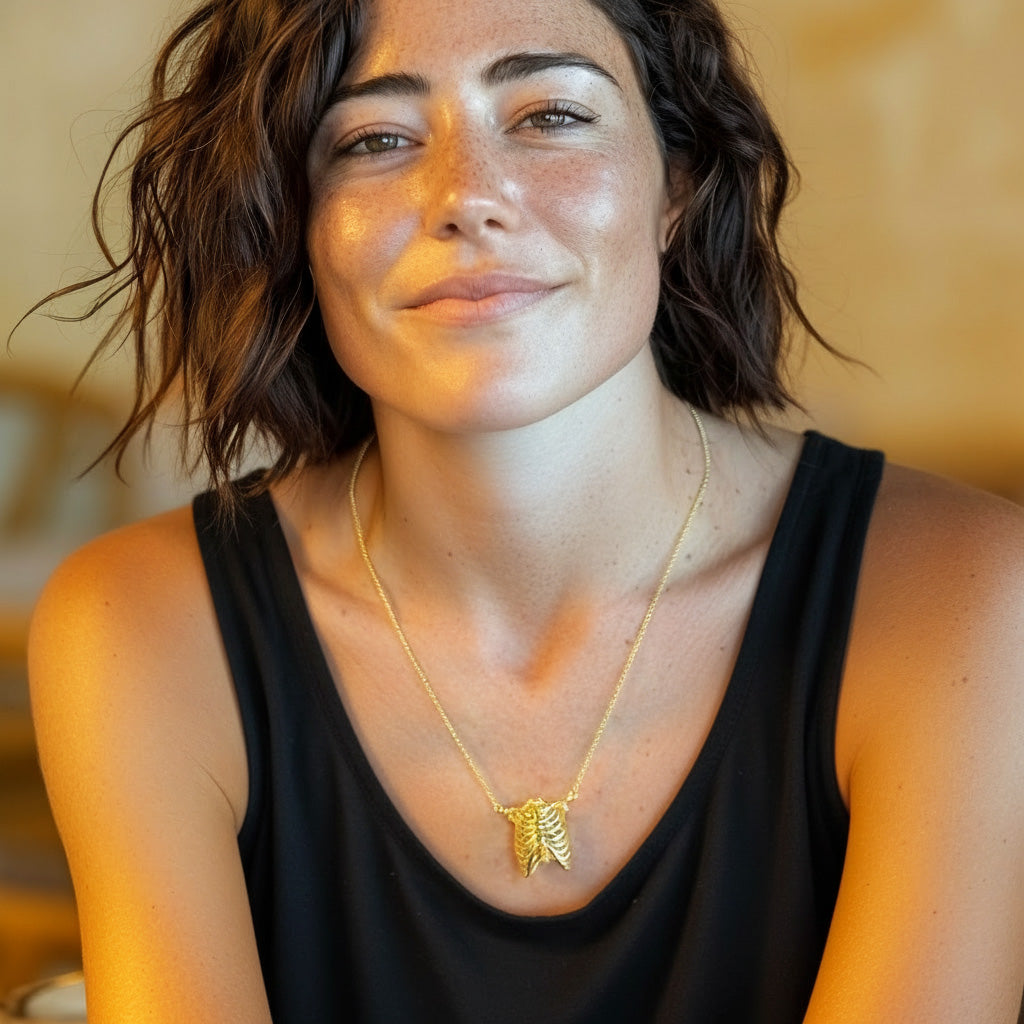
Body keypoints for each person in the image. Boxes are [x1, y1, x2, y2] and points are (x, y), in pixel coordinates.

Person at [25, 0, 1024, 1021]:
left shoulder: (960, 597)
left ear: (674, 182)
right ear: (295, 222)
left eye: (549, 115)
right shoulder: (143, 626)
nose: (468, 196)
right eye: (374, 139)